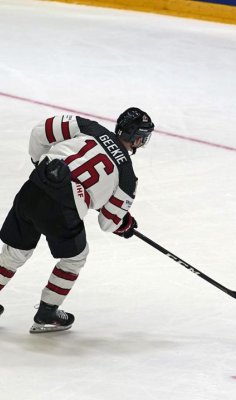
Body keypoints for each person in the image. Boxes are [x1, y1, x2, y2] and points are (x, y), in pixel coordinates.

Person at [0, 108, 154, 333]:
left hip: (32, 188)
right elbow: (108, 222)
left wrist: (39, 162)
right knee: (74, 258)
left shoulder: (89, 127)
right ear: (138, 138)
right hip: (61, 211)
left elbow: (39, 131)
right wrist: (125, 224)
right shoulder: (128, 178)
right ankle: (47, 312)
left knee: (15, 251)